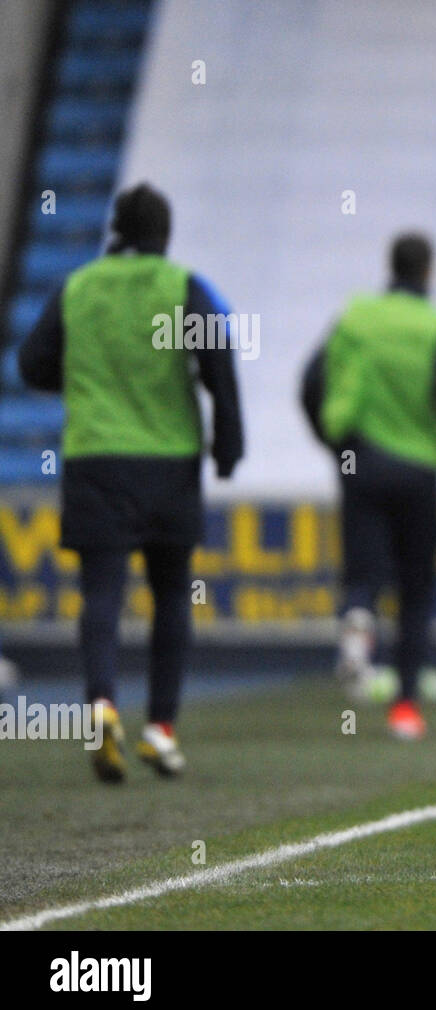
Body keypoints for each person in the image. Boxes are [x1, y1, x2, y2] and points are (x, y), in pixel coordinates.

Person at [19, 182, 244, 782]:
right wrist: (228, 447)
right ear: (164, 234)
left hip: (97, 459)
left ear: (116, 229)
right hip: (169, 462)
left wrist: (88, 377)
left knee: (102, 593)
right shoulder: (181, 287)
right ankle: (161, 731)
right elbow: (220, 365)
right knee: (172, 593)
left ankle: (100, 704)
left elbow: (31, 364)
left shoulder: (79, 287)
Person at [301, 233, 436, 740]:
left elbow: (311, 382)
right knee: (416, 587)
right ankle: (405, 707)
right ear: (429, 271)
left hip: (360, 459)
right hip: (417, 469)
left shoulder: (356, 315)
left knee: (362, 567)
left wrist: (333, 441)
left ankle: (358, 623)